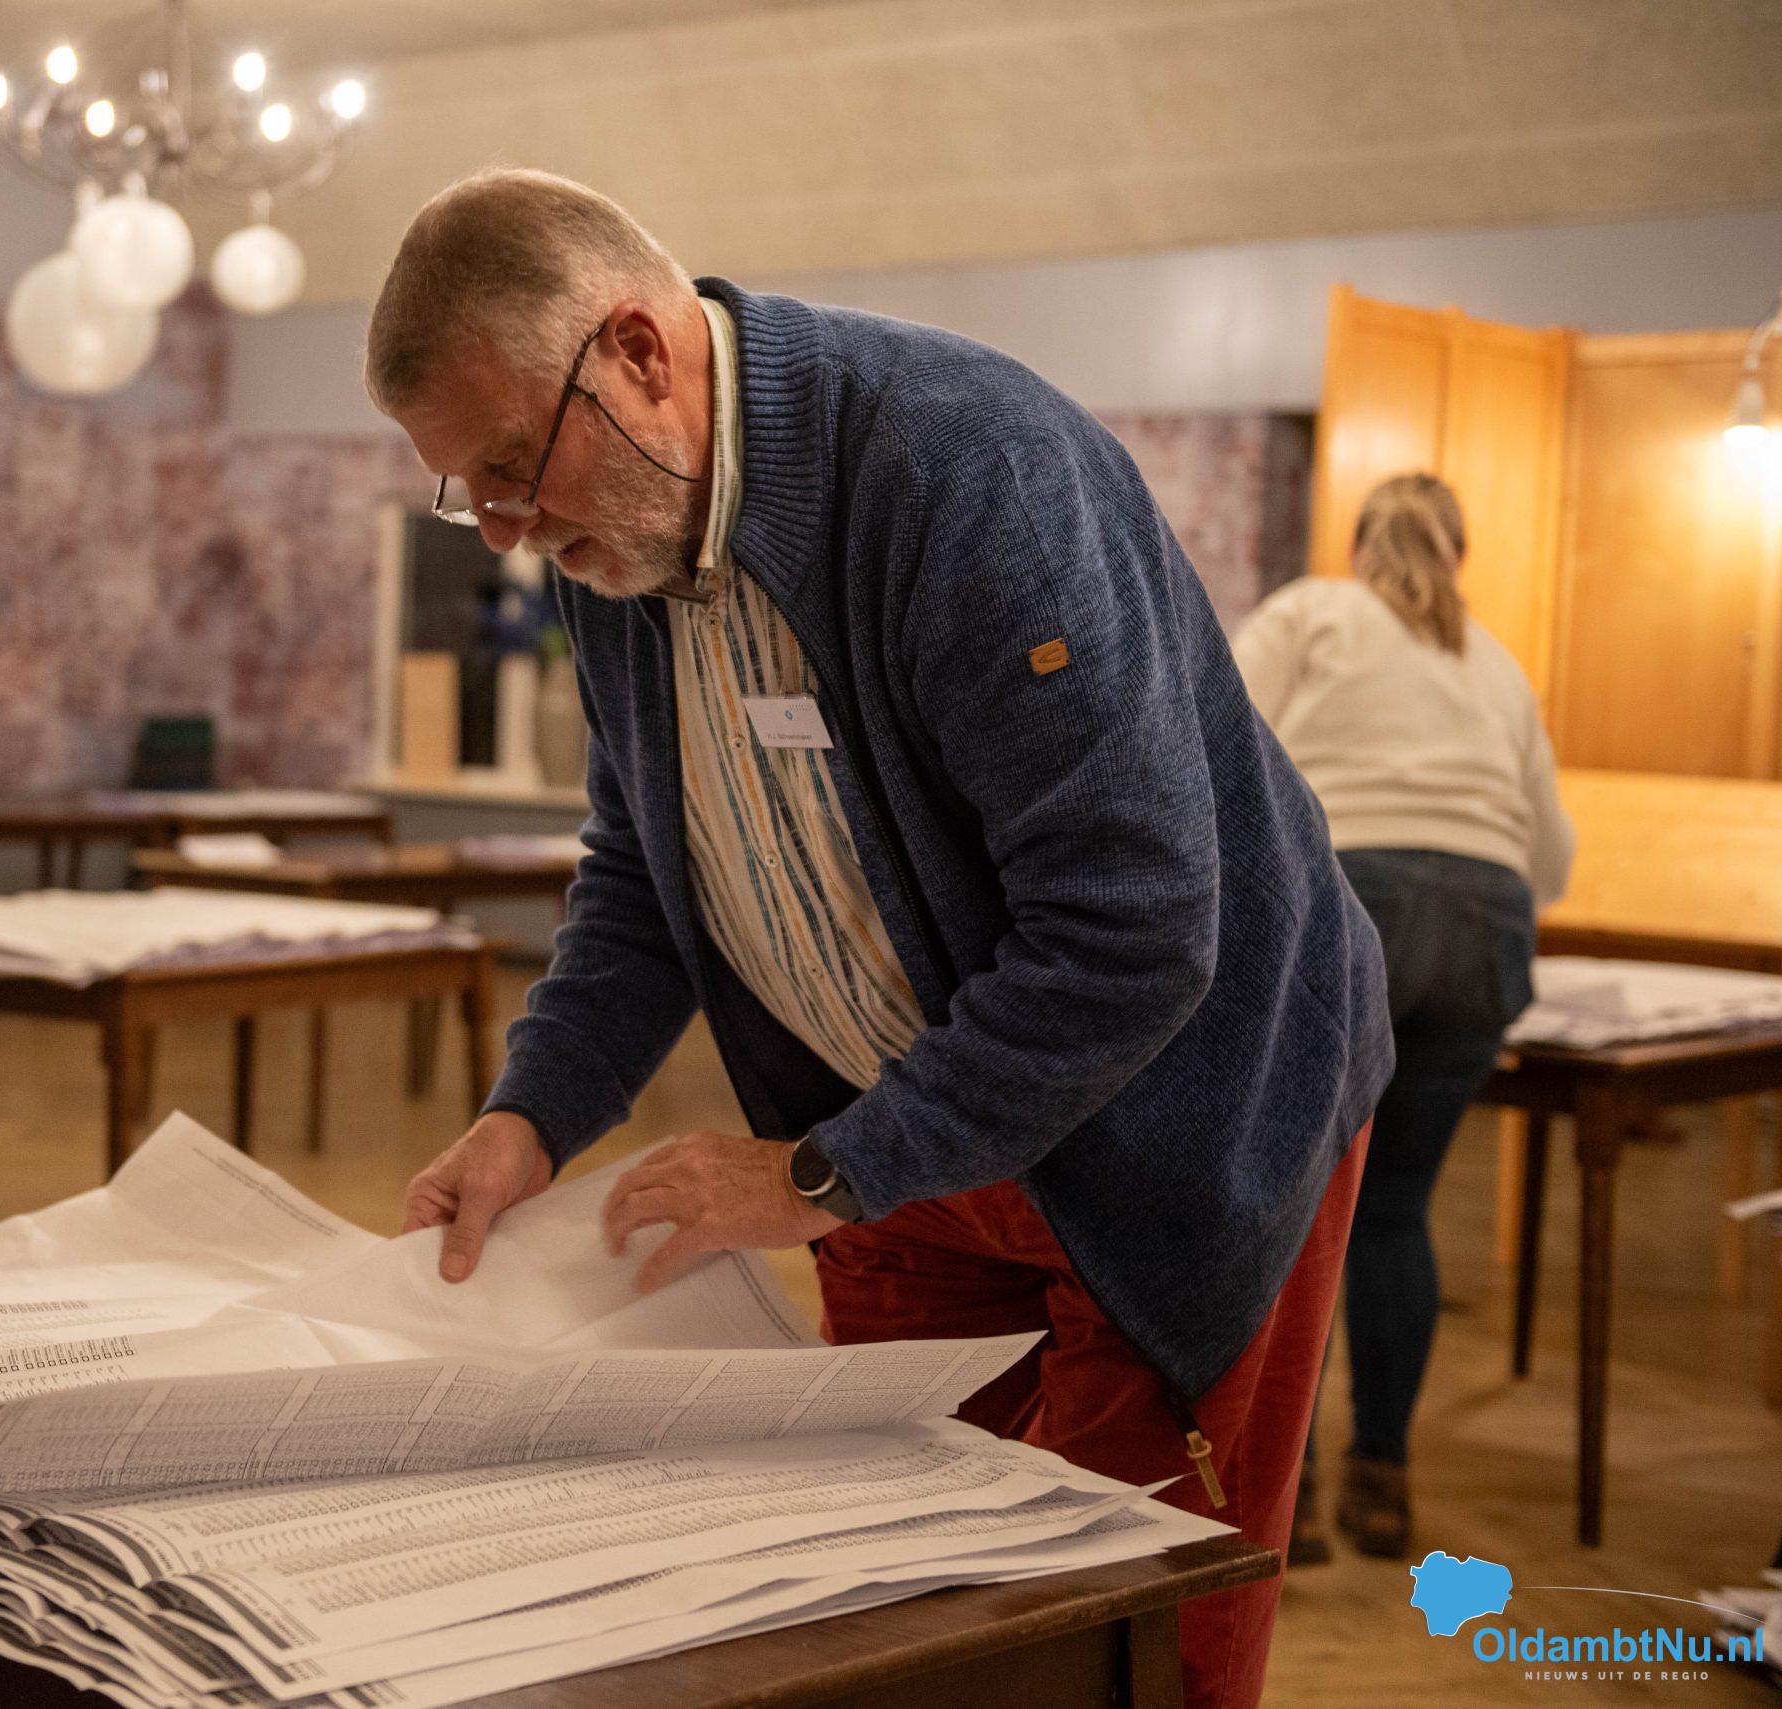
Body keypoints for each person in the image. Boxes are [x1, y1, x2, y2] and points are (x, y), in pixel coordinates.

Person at [369, 170, 1391, 1709]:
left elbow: (1132, 935)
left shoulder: (965, 471)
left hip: (1170, 1123)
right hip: (901, 1140)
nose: (510, 533)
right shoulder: (613, 547)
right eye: (471, 493)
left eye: (515, 466)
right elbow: (649, 877)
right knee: (902, 1614)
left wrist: (810, 1177)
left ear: (638, 354)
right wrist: (533, 1115)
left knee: (1112, 1635)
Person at [1233, 473, 1572, 1561]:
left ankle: (1291, 1495)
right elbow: (1551, 855)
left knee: (1301, 1209)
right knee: (1394, 1211)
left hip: (1356, 896)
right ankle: (1383, 1482)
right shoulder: (1497, 663)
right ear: (1459, 556)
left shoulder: (1310, 612)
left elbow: (1223, 747)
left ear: (1356, 545)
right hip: (1486, 923)